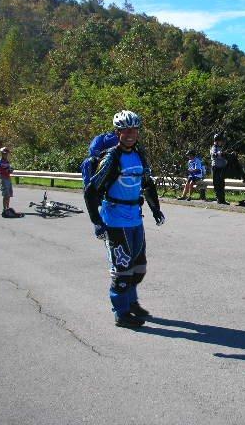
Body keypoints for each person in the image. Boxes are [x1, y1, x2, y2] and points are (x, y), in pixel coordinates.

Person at [84, 110, 166, 328]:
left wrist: (155, 209)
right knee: (122, 269)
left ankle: (131, 302)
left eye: (134, 129)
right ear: (117, 131)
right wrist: (97, 222)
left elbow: (147, 184)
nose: (130, 133)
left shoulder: (139, 153)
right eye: (125, 129)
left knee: (139, 267)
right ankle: (121, 313)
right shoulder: (112, 157)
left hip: (135, 218)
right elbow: (91, 191)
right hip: (115, 220)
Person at [0, 147, 21, 218]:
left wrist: (10, 170)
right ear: (2, 154)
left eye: (6, 154)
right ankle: (4, 209)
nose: (5, 155)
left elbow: (9, 169)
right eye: (4, 154)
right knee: (5, 194)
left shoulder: (7, 161)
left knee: (9, 194)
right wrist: (5, 170)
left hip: (8, 178)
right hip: (3, 179)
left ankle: (8, 208)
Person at [211, 133, 229, 205]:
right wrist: (219, 154)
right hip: (216, 168)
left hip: (222, 168)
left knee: (222, 183)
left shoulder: (221, 148)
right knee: (217, 183)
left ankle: (223, 199)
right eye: (220, 141)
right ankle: (218, 199)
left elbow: (225, 156)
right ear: (217, 141)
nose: (222, 142)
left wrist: (226, 154)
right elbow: (214, 155)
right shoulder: (214, 147)